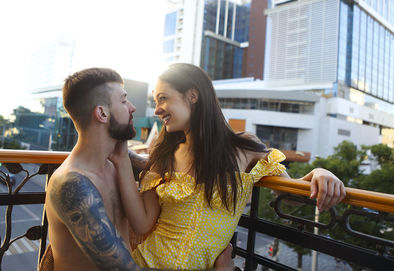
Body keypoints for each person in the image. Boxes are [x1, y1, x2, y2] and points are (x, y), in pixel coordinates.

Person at [113, 63, 347, 270]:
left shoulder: (245, 148)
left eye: (163, 98)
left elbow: (289, 193)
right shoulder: (164, 154)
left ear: (192, 95)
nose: (157, 109)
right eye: (156, 101)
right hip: (147, 264)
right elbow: (143, 222)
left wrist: (320, 172)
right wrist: (121, 158)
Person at [42, 67, 233, 271]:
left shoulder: (115, 162)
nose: (132, 107)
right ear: (102, 113)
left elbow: (174, 171)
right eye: (124, 101)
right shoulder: (72, 184)